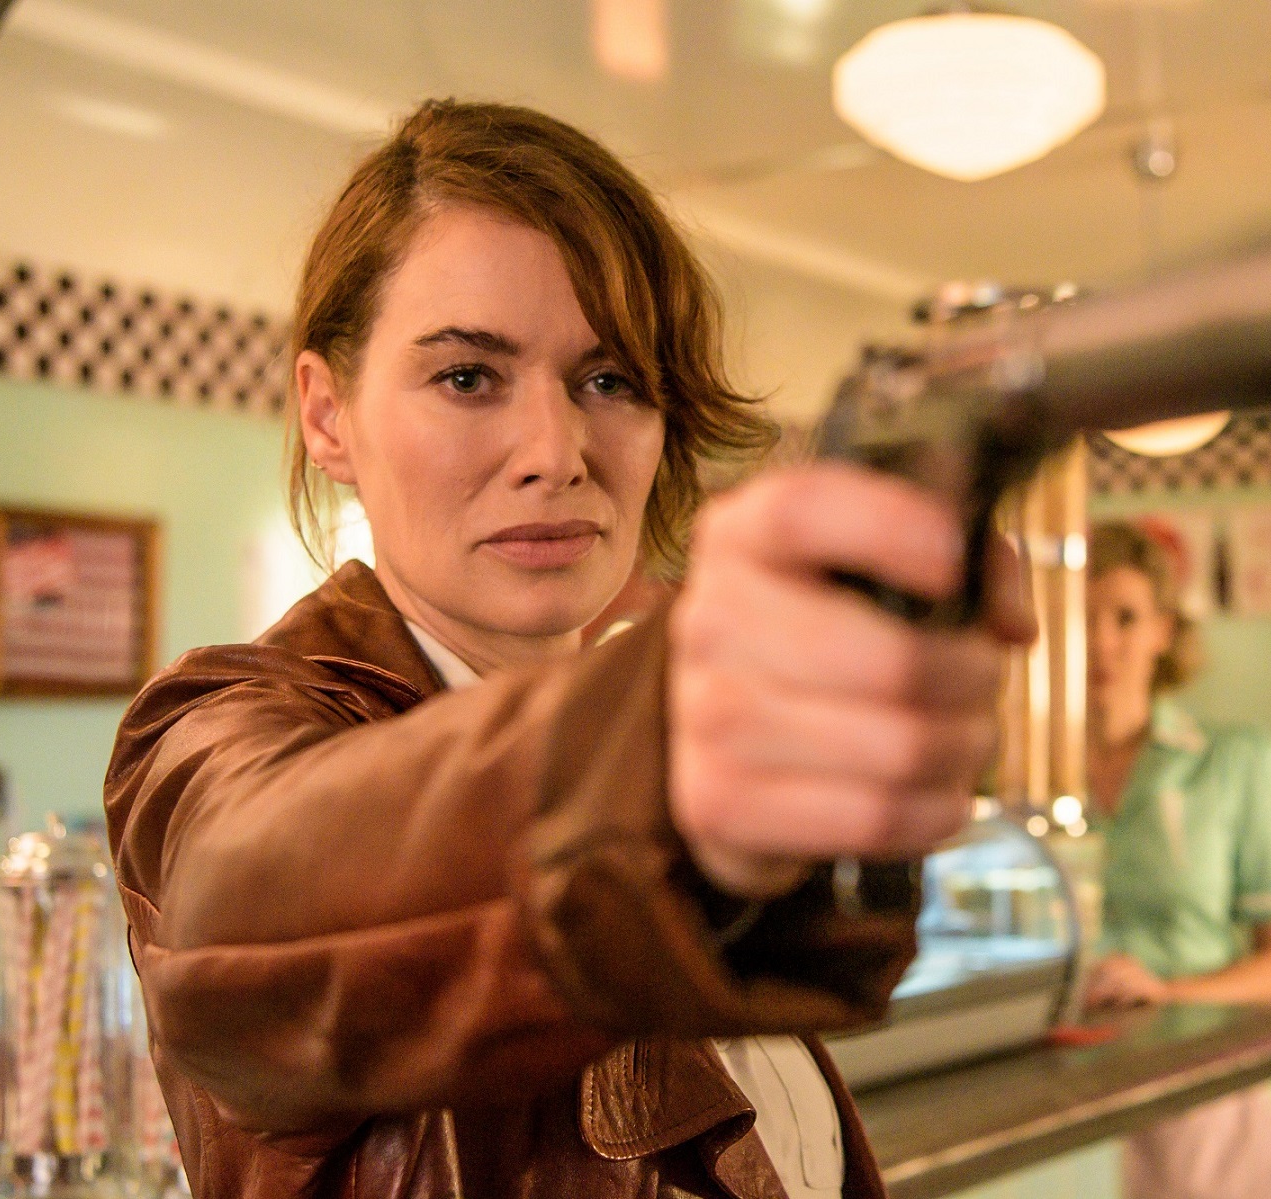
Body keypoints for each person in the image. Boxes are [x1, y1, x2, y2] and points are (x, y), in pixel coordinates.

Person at [104, 100, 1032, 1199]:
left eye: (610, 380)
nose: (555, 451)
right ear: (327, 414)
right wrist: (664, 738)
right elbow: (240, 916)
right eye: (467, 376)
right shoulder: (214, 725)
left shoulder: (665, 779)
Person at [1082, 521, 1271, 1199]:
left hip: (1213, 1110)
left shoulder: (1237, 762)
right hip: (1070, 1106)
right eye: (1080, 618)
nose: (1100, 642)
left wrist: (1168, 994)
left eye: (1124, 617)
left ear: (1163, 631)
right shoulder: (1019, 781)